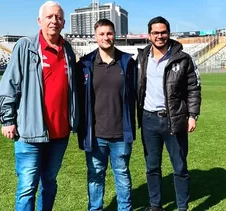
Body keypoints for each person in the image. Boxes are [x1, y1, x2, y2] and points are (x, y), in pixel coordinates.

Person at [0, 1, 78, 210]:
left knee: (50, 183)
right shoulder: (26, 46)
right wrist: (7, 119)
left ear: (64, 22)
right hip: (30, 133)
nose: (54, 21)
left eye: (58, 17)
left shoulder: (68, 49)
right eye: (49, 17)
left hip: (59, 134)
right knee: (27, 187)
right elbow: (9, 83)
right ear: (40, 21)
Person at [136, 16, 202, 211]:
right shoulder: (141, 57)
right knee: (152, 167)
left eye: (163, 32)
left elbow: (194, 88)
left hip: (174, 119)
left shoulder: (183, 59)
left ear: (169, 33)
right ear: (149, 35)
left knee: (180, 168)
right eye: (155, 33)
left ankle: (182, 207)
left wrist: (192, 115)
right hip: (148, 119)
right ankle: (155, 205)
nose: (159, 36)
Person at [76, 19, 137, 211]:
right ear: (95, 37)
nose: (106, 37)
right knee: (95, 176)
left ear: (115, 35)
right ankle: (95, 208)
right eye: (101, 34)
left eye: (109, 33)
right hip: (95, 135)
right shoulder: (85, 64)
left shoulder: (127, 63)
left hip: (121, 133)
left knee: (122, 175)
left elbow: (137, 93)